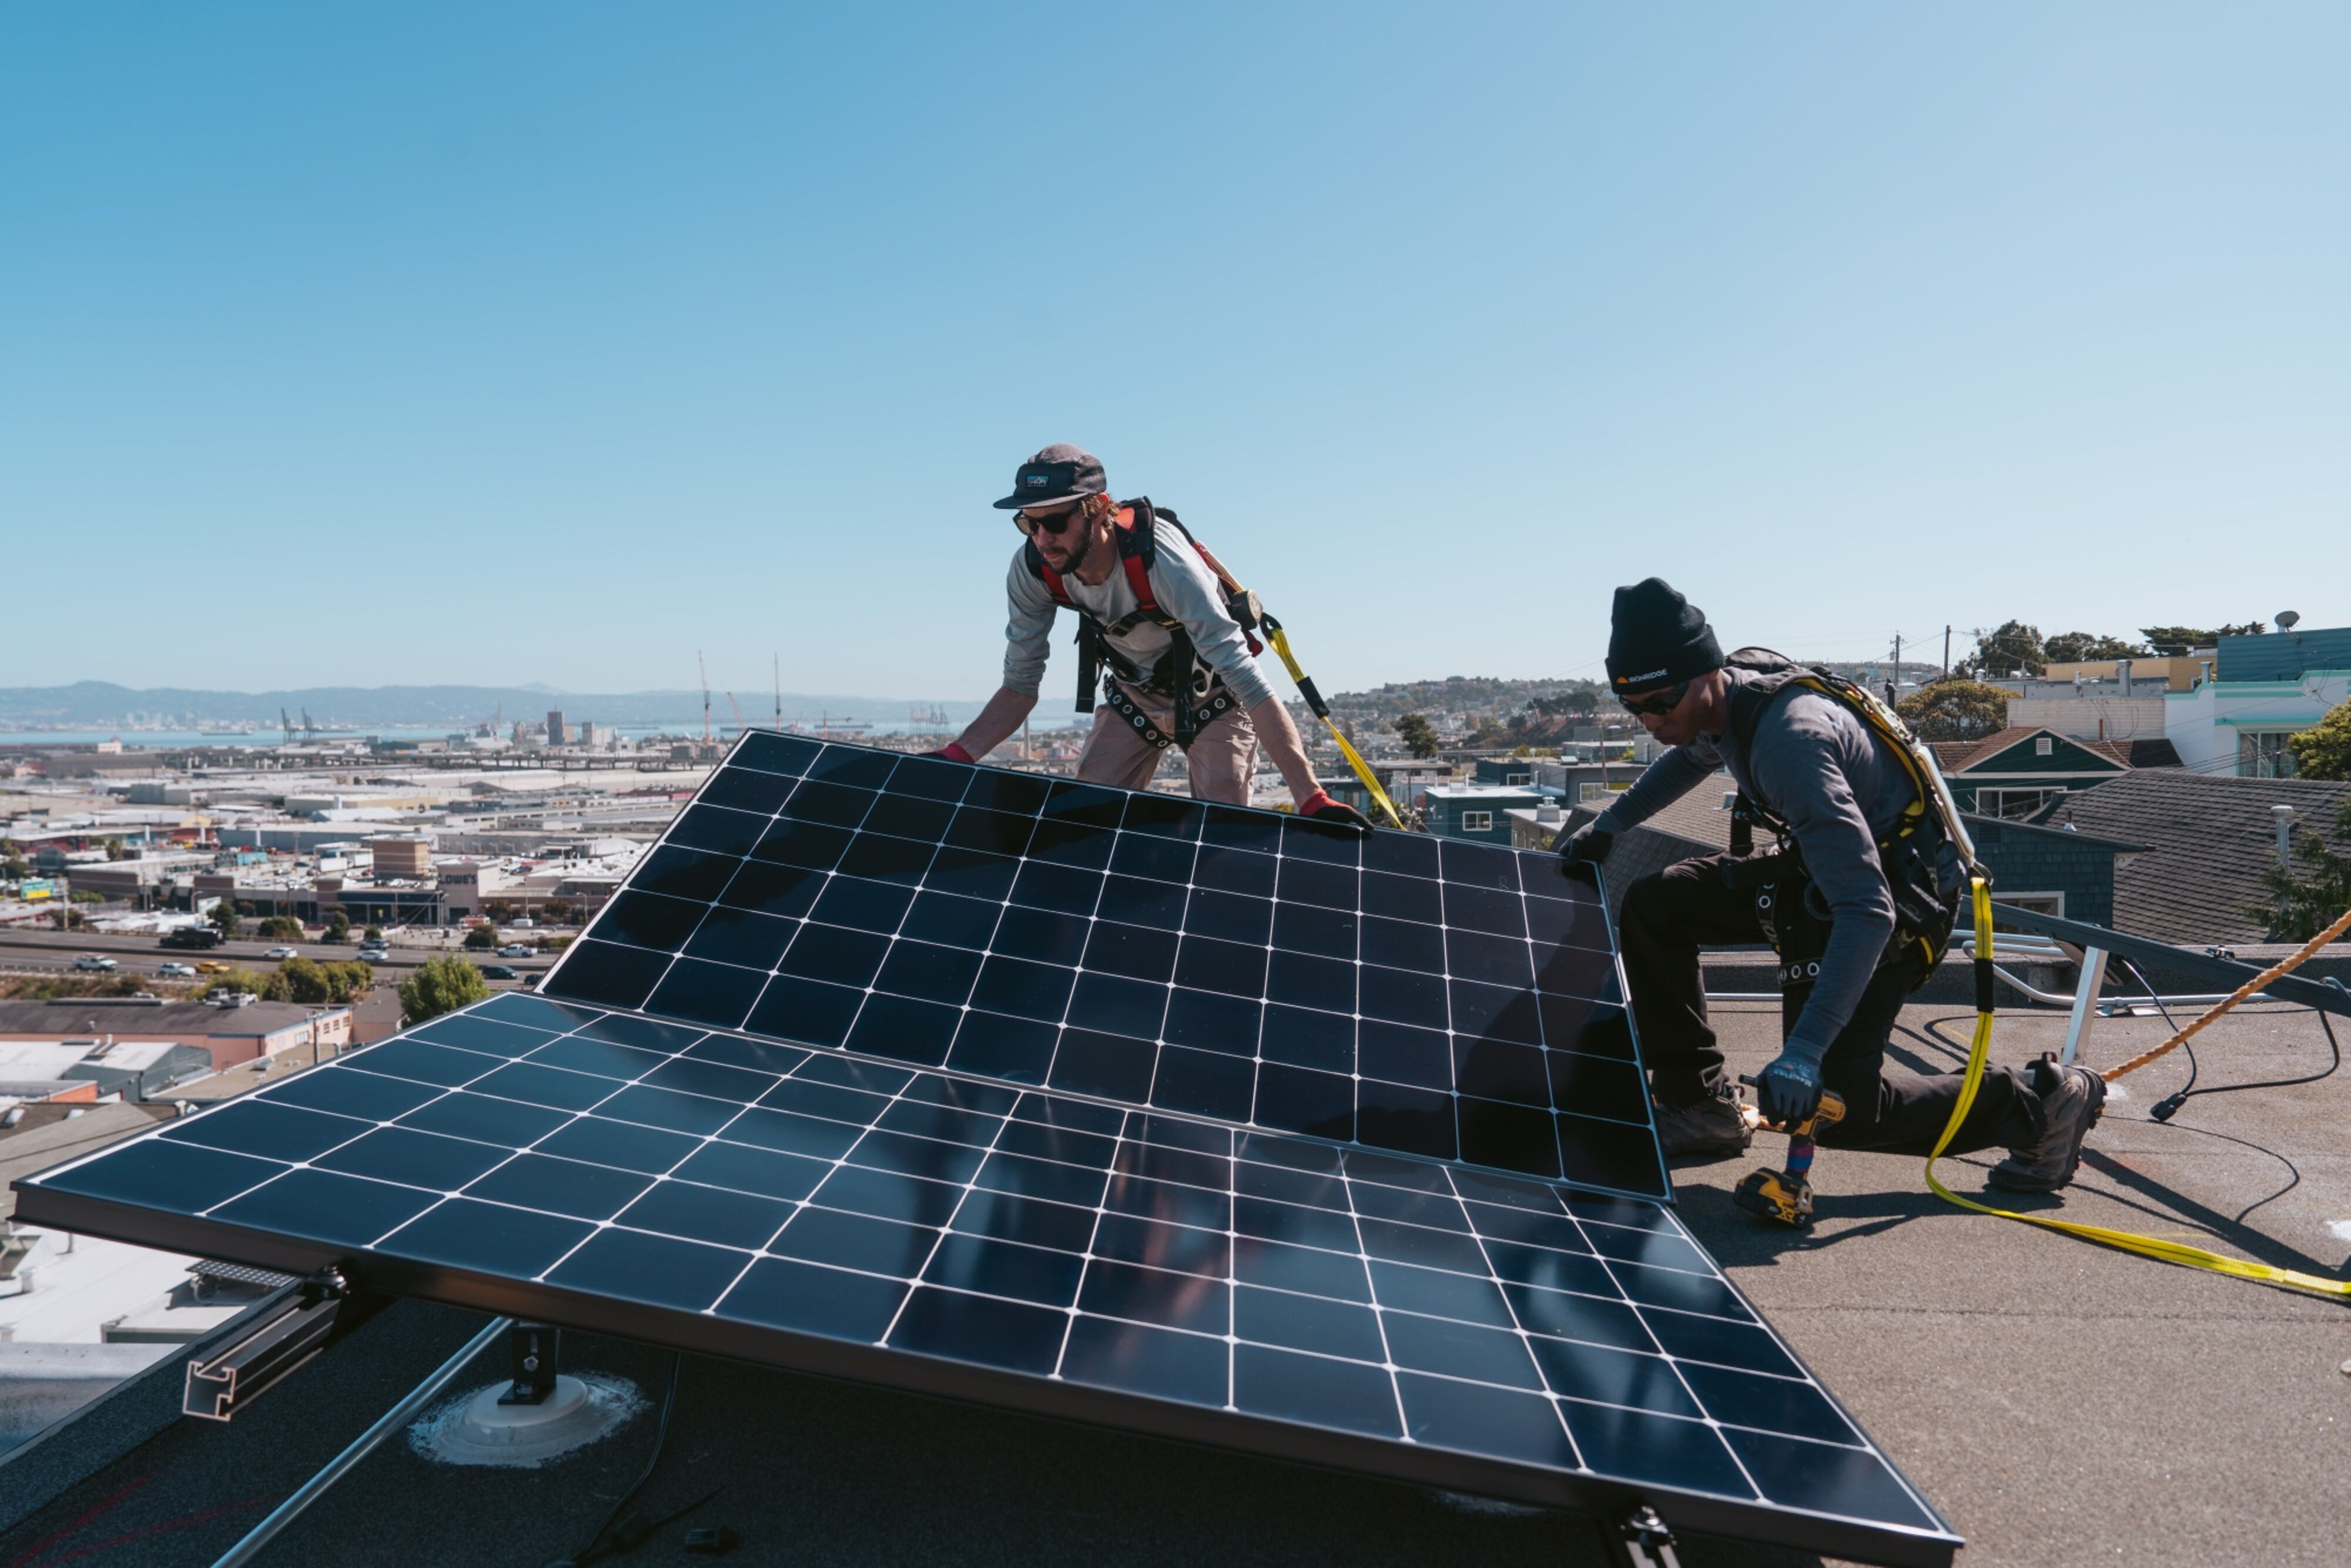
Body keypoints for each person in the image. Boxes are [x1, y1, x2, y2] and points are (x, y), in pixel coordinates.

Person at [1560, 578, 2105, 1190]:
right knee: (1657, 905)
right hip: (1823, 874)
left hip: (1899, 902)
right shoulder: (1727, 697)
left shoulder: (1790, 743)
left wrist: (1804, 1052)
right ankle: (1697, 1104)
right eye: (1634, 709)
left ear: (1706, 672)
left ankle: (2038, 1104)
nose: (1652, 721)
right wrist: (1611, 826)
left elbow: (1867, 910)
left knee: (1837, 1104)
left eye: (1661, 703)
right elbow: (1694, 752)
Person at [937, 444, 1371, 829]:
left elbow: (1248, 681)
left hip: (1214, 696)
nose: (1042, 540)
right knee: (1086, 820)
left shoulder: (1163, 562)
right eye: (1027, 524)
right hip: (1134, 696)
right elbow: (1020, 685)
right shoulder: (1034, 568)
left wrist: (1310, 798)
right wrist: (955, 758)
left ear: (1098, 507)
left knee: (1220, 831)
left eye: (1053, 521)